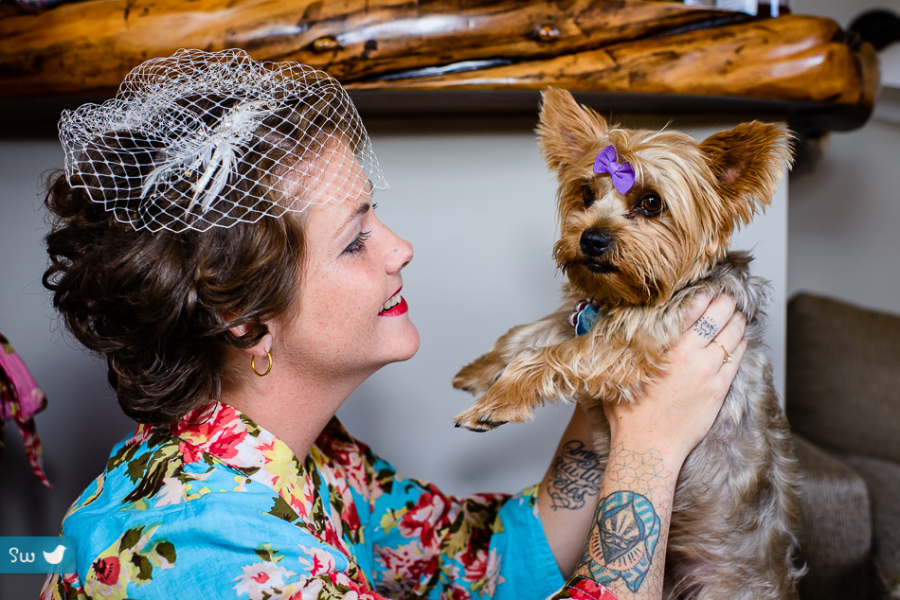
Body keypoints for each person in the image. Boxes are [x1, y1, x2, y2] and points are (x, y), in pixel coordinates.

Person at [39, 49, 746, 600]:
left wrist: (611, 391)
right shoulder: (212, 550)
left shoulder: (309, 458)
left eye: (374, 216)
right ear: (243, 315)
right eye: (354, 240)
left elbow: (494, 564)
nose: (400, 248)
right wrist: (651, 449)